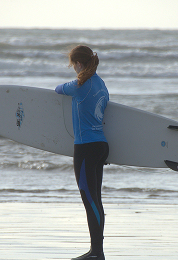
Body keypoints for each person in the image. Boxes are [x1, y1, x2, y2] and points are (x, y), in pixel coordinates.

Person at [55, 45, 109, 260]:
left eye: (72, 65)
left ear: (78, 64)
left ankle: (97, 252)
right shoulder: (100, 83)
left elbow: (59, 89)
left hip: (86, 147)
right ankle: (96, 251)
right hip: (101, 146)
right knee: (96, 199)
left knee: (89, 200)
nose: (73, 69)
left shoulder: (79, 84)